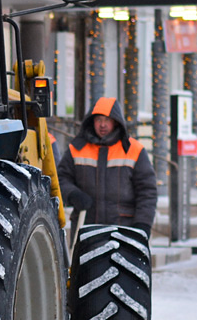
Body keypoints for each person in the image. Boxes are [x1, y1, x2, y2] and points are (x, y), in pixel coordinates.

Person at [56, 96, 157, 236]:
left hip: (125, 229)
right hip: (85, 227)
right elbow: (60, 179)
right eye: (98, 120)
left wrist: (143, 224)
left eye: (107, 120)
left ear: (116, 122)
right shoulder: (77, 148)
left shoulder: (134, 150)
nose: (102, 125)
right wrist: (73, 194)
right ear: (92, 121)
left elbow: (147, 191)